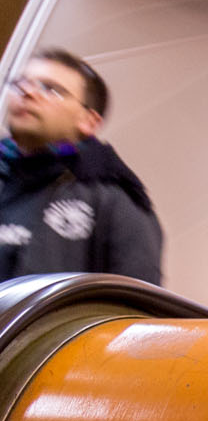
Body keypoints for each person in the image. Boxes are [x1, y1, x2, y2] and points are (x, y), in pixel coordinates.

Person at [0, 48, 161, 284]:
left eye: (50, 89)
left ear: (88, 121)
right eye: (21, 85)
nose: (28, 93)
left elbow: (136, 305)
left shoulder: (113, 197)